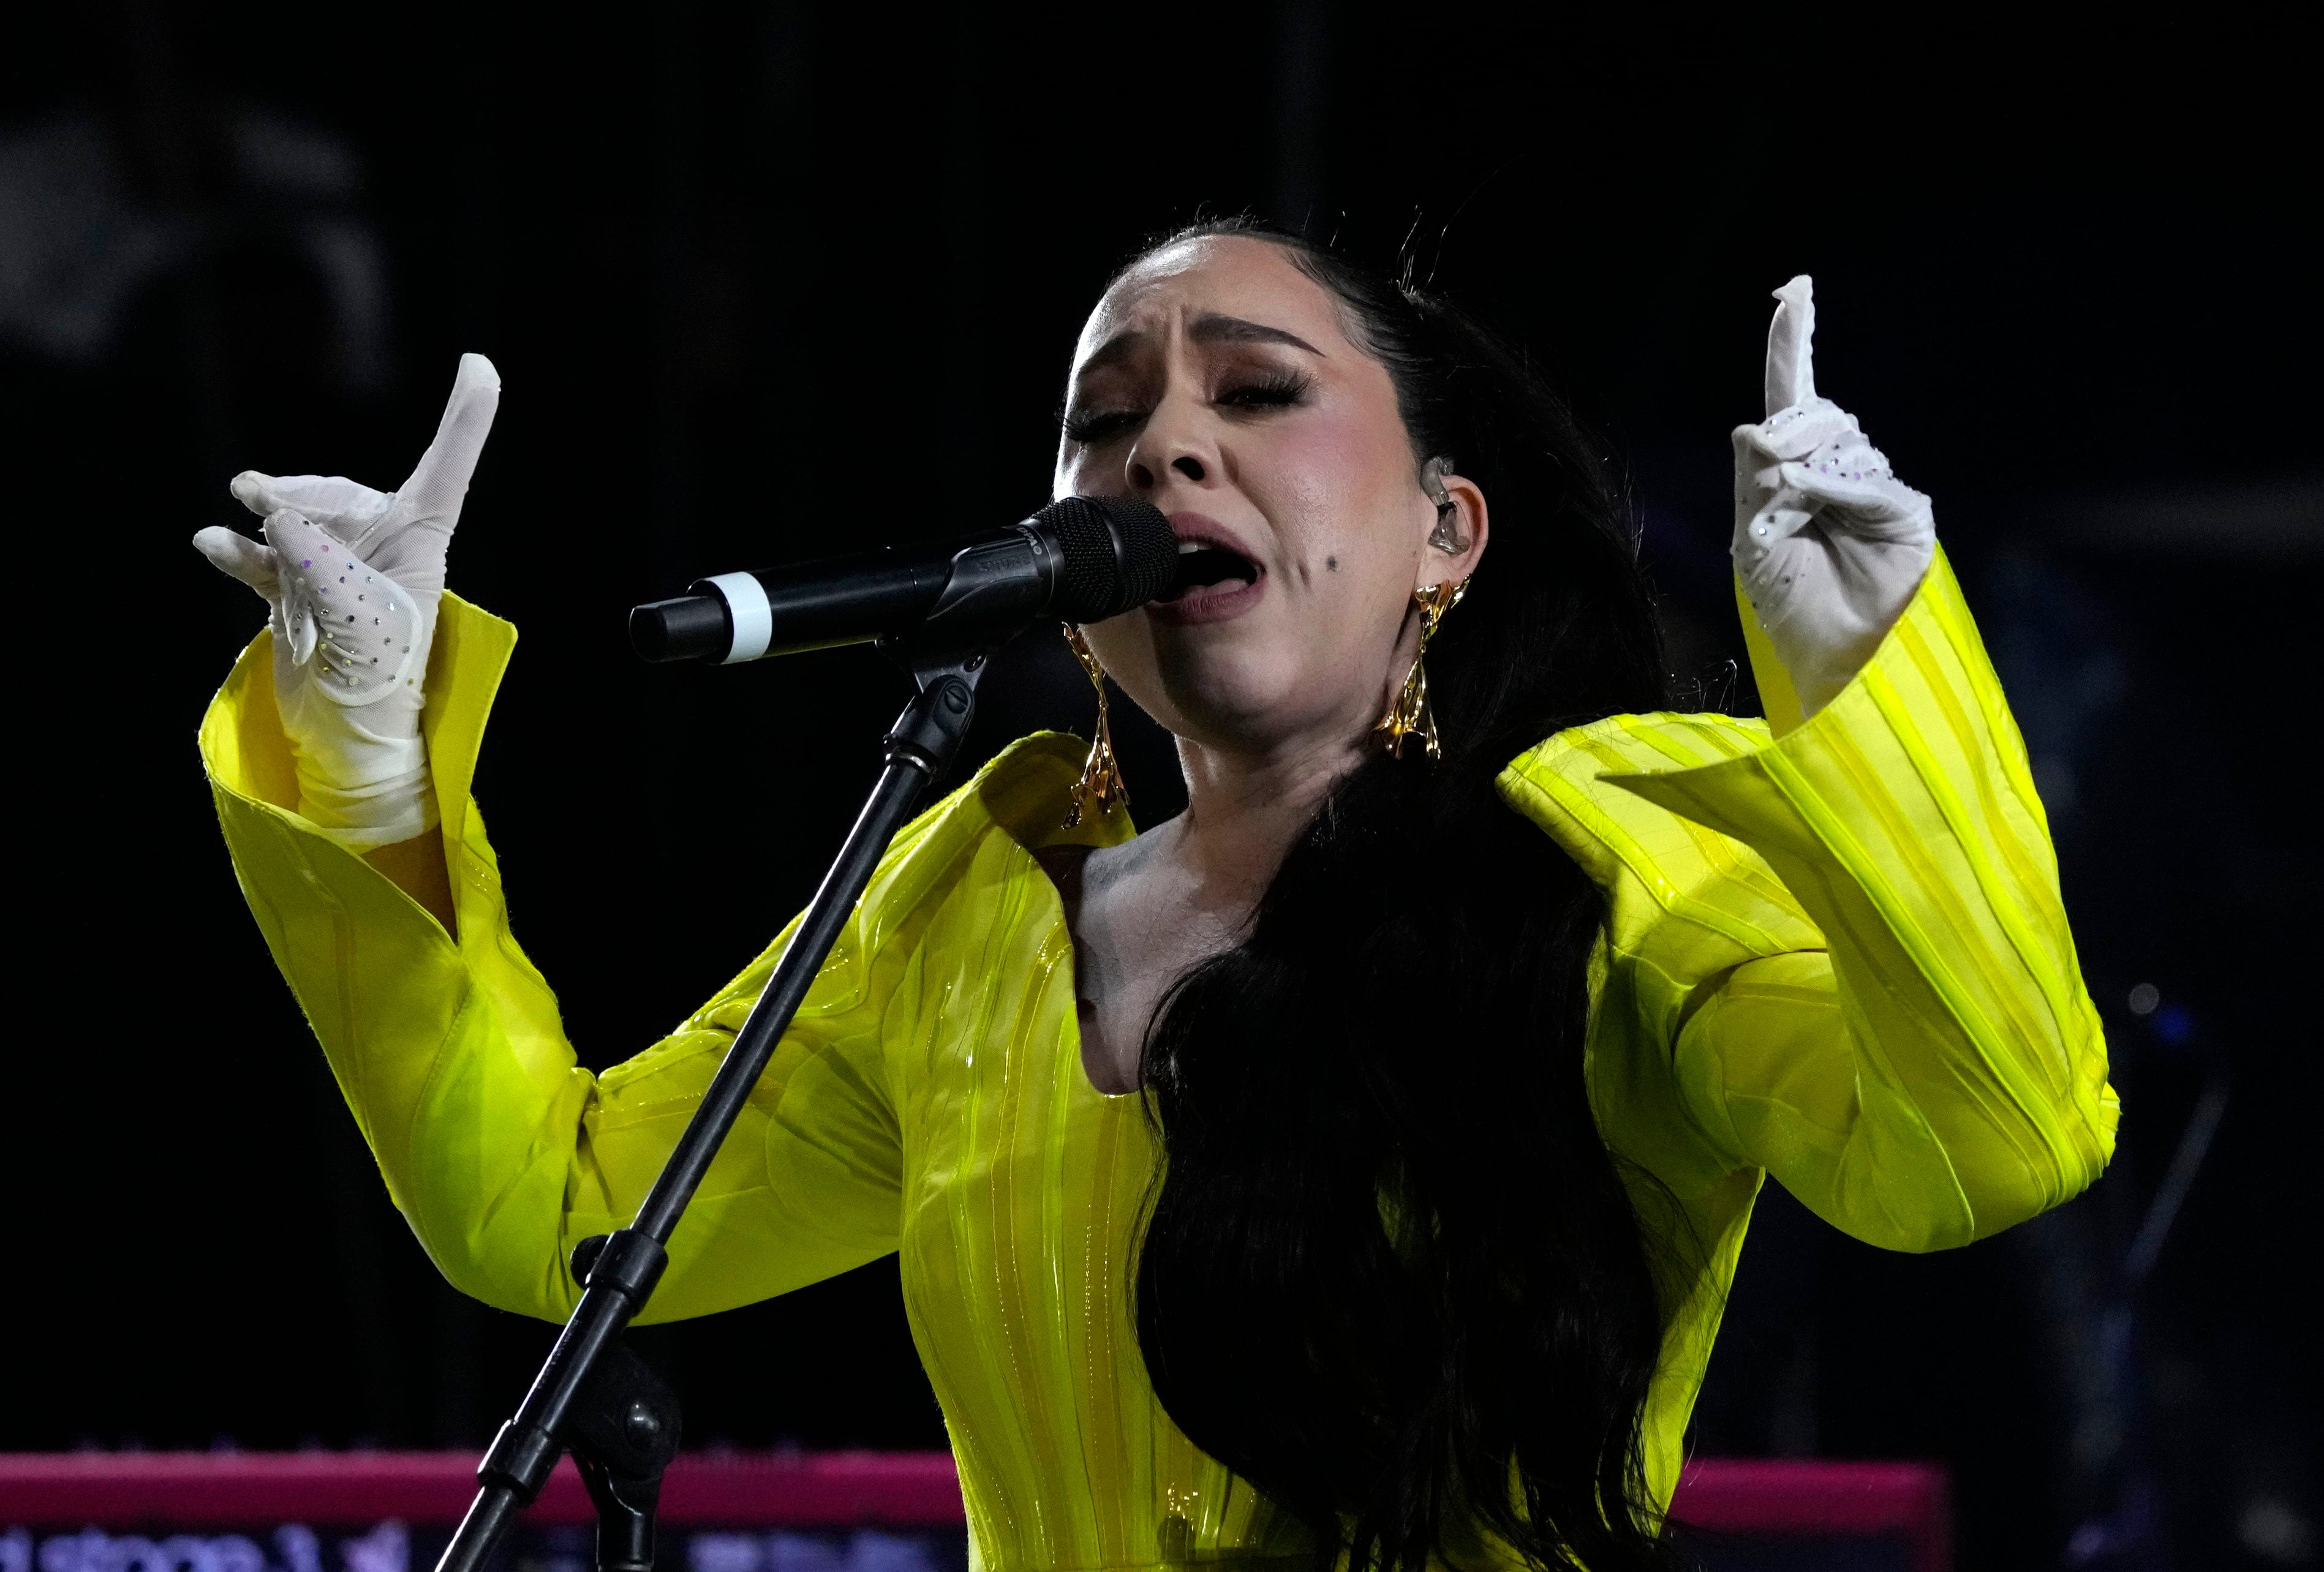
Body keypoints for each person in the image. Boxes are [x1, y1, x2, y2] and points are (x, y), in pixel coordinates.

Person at [193, 222, 2117, 1572]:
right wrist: (367, 756)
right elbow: (562, 1212)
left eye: (1259, 392)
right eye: (1105, 423)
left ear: (1443, 529)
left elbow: (1984, 1151)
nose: (1165, 445)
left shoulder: (1616, 858)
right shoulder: (965, 900)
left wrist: (1869, 672)